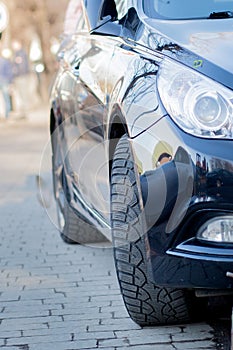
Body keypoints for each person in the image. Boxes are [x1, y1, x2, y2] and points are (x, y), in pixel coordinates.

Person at [0, 53, 13, 118]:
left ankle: (6, 113)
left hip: (3, 81)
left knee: (5, 98)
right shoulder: (4, 61)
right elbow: (9, 72)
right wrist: (10, 82)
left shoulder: (4, 61)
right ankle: (7, 114)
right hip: (4, 81)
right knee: (6, 98)